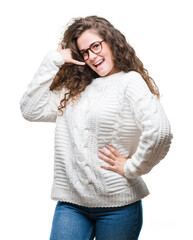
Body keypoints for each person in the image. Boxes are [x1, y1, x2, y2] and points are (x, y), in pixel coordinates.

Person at [20, 16, 173, 240]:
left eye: (96, 46)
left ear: (111, 41)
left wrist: (132, 168)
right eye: (85, 52)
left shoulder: (130, 82)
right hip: (72, 205)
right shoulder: (73, 89)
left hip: (118, 206)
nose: (92, 56)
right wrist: (53, 60)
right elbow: (30, 110)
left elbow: (160, 132)